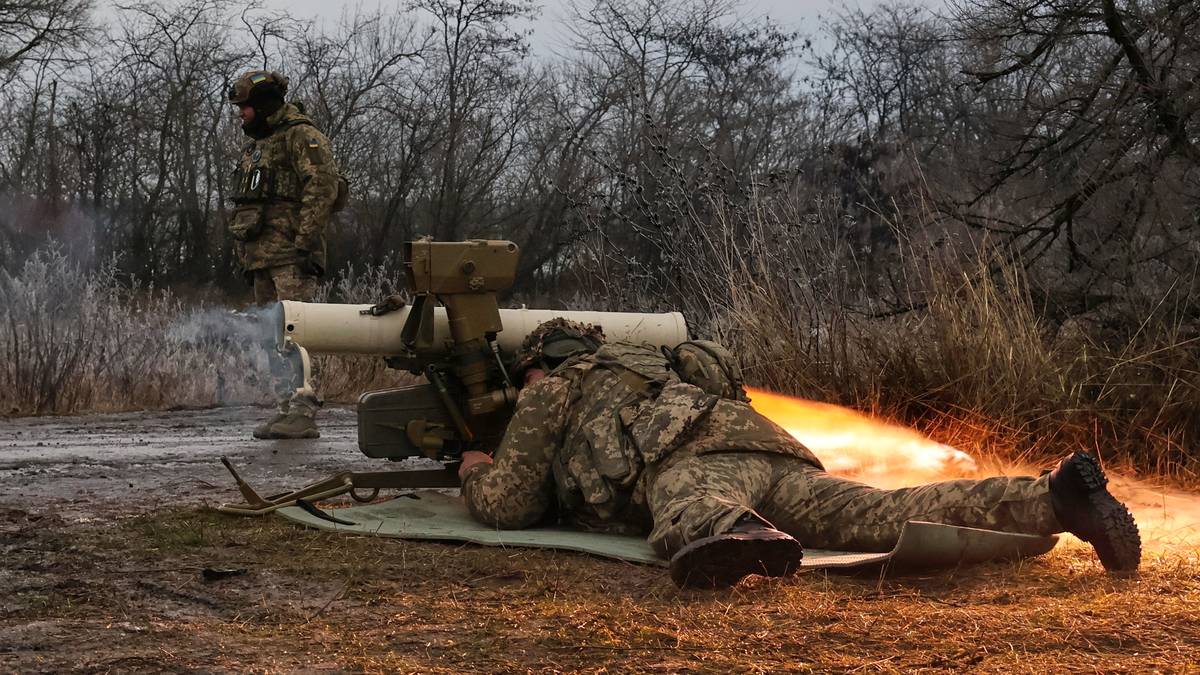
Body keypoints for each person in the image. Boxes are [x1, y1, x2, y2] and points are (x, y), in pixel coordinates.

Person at [458, 320, 1142, 588]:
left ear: (541, 365)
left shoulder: (555, 389)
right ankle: (1054, 497)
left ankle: (743, 535)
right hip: (771, 447)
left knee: (692, 504)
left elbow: (512, 504)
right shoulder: (662, 366)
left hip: (692, 458)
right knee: (882, 510)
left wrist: (474, 471)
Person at [226, 69, 343, 440]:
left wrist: (304, 242)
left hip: (291, 256)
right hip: (261, 257)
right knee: (271, 337)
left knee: (297, 335)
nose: (241, 113)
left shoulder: (301, 136)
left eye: (244, 106)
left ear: (261, 105)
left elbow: (322, 187)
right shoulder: (259, 144)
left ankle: (303, 410)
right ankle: (284, 407)